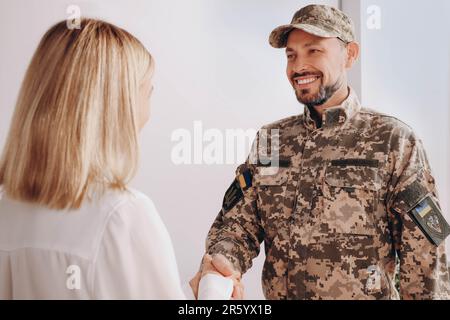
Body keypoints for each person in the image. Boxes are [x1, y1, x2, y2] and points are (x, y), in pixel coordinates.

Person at [190, 4, 450, 300]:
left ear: (350, 54)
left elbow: (427, 257)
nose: (298, 66)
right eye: (291, 55)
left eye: (314, 51)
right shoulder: (272, 140)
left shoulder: (393, 140)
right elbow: (237, 226)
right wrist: (220, 267)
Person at [0, 18, 185, 299]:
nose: (148, 112)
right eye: (147, 91)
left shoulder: (7, 211)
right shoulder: (121, 216)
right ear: (118, 104)